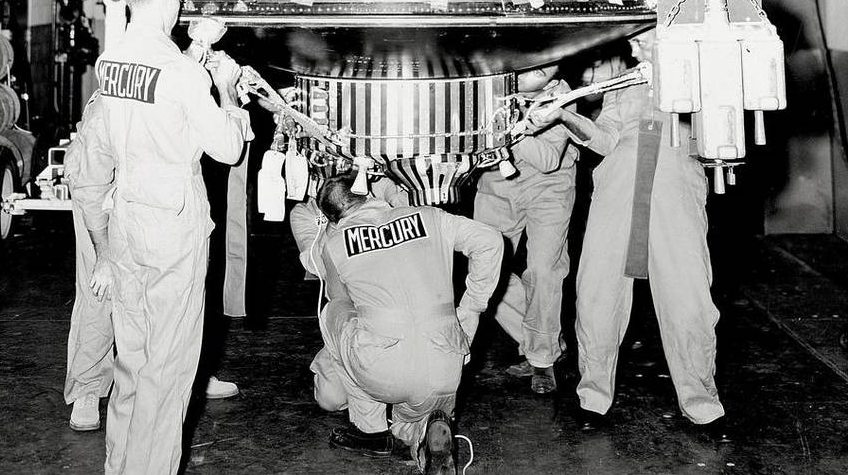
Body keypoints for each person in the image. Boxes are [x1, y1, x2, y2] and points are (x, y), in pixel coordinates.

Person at [69, 0, 252, 475]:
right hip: (174, 227)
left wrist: (196, 51)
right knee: (167, 373)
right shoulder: (180, 73)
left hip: (127, 221)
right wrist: (227, 91)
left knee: (132, 362)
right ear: (174, 3)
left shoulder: (113, 62)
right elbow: (226, 149)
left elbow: (156, 99)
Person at [528, 47, 726, 434]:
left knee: (689, 304)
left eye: (640, 37)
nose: (632, 48)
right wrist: (563, 115)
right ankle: (593, 398)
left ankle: (702, 405)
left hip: (675, 191)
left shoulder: (699, 69)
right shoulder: (626, 82)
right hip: (617, 189)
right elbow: (604, 140)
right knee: (596, 297)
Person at [292, 171, 503, 474]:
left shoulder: (335, 243)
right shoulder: (428, 215)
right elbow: (491, 241)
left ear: (334, 218)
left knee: (333, 311)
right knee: (412, 416)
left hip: (383, 372)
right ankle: (422, 434)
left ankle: (371, 431)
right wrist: (471, 308)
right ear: (368, 193)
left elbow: (341, 301)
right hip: (447, 362)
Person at [62, 97, 239, 433]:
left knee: (174, 289)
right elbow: (89, 179)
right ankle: (88, 388)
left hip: (152, 195)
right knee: (102, 290)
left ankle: (190, 375)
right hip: (100, 193)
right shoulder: (112, 100)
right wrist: (103, 252)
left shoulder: (181, 79)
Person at [471, 64, 577, 395]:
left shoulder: (562, 94)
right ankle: (540, 342)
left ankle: (542, 360)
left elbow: (547, 158)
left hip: (550, 184)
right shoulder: (485, 86)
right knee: (484, 271)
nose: (540, 67)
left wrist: (502, 132)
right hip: (497, 183)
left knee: (544, 271)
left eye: (548, 65)